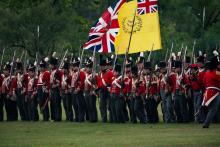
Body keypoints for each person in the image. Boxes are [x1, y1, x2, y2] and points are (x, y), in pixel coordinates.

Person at [202, 51, 220, 128]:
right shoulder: (217, 72)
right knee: (213, 109)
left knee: (211, 109)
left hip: (207, 91)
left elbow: (204, 82)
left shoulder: (207, 72)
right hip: (215, 92)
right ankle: (206, 124)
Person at [84, 58, 98, 122]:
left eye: (88, 67)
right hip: (86, 91)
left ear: (90, 68)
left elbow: (96, 85)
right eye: (86, 67)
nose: (86, 69)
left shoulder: (94, 75)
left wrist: (93, 90)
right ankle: (90, 118)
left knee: (92, 106)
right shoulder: (86, 75)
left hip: (91, 92)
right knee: (88, 106)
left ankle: (94, 118)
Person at [50, 52, 63, 121]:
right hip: (52, 89)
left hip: (57, 90)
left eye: (51, 64)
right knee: (53, 104)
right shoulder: (52, 72)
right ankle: (54, 117)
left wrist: (56, 84)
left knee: (57, 104)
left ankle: (58, 117)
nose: (50, 66)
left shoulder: (58, 72)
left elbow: (61, 81)